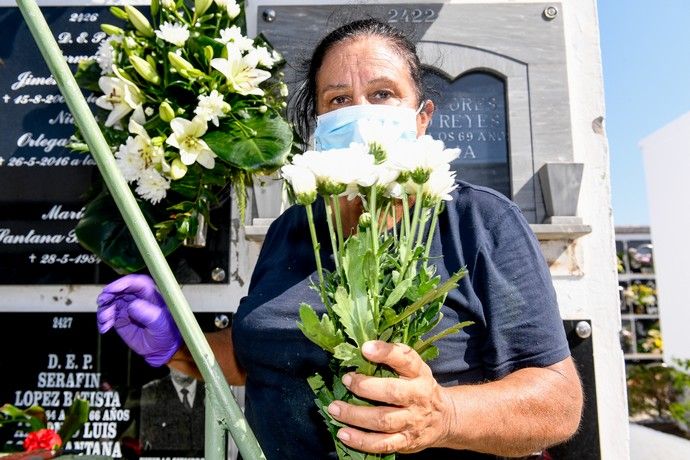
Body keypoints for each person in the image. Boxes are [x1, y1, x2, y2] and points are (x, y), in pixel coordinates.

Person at [97, 18, 583, 459]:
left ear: (422, 118)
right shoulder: (292, 229)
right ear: (317, 130)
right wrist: (177, 343)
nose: (361, 114)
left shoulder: (480, 221)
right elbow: (258, 359)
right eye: (338, 100)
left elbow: (559, 403)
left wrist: (444, 416)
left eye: (382, 94)